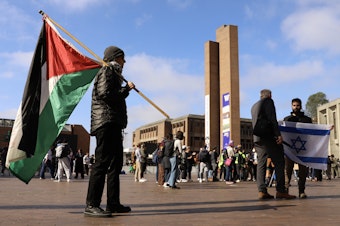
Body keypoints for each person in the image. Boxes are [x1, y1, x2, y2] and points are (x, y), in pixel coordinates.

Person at [84, 46, 134, 217]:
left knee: (115, 165)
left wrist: (124, 90)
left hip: (113, 123)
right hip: (105, 122)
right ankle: (92, 204)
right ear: (115, 57)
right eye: (122, 58)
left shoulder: (114, 72)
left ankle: (113, 203)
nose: (125, 62)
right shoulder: (107, 70)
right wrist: (126, 90)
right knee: (102, 163)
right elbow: (105, 94)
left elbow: (112, 94)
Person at [251, 89, 296, 200]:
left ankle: (262, 191)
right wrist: (278, 134)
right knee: (280, 161)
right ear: (270, 96)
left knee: (261, 163)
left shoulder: (254, 106)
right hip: (268, 137)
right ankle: (280, 190)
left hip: (257, 138)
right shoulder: (268, 102)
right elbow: (272, 119)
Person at [284, 98, 312, 199]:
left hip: (303, 150)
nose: (296, 107)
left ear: (301, 106)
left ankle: (301, 191)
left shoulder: (307, 120)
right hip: (290, 149)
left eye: (298, 105)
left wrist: (326, 128)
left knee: (303, 171)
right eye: (294, 105)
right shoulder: (287, 119)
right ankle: (285, 191)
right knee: (288, 170)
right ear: (291, 106)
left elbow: (313, 132)